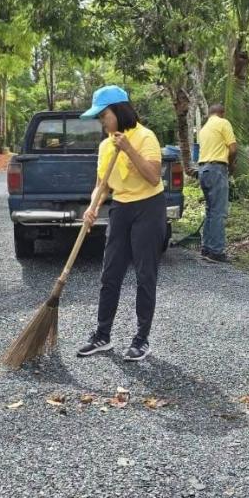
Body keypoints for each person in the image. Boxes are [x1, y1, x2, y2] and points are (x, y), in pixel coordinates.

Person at [76, 85, 166, 363]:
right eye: (100, 117)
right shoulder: (105, 146)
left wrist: (128, 148)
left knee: (144, 274)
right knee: (110, 272)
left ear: (119, 111)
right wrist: (91, 208)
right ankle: (103, 335)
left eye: (104, 115)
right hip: (121, 209)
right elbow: (102, 185)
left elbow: (152, 177)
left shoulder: (145, 137)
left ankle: (141, 339)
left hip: (148, 207)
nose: (101, 121)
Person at [196, 103, 237, 263]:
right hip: (216, 169)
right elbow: (233, 149)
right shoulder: (223, 123)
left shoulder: (204, 129)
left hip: (203, 170)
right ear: (222, 113)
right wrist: (231, 164)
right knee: (218, 211)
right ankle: (217, 251)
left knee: (210, 210)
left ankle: (207, 248)